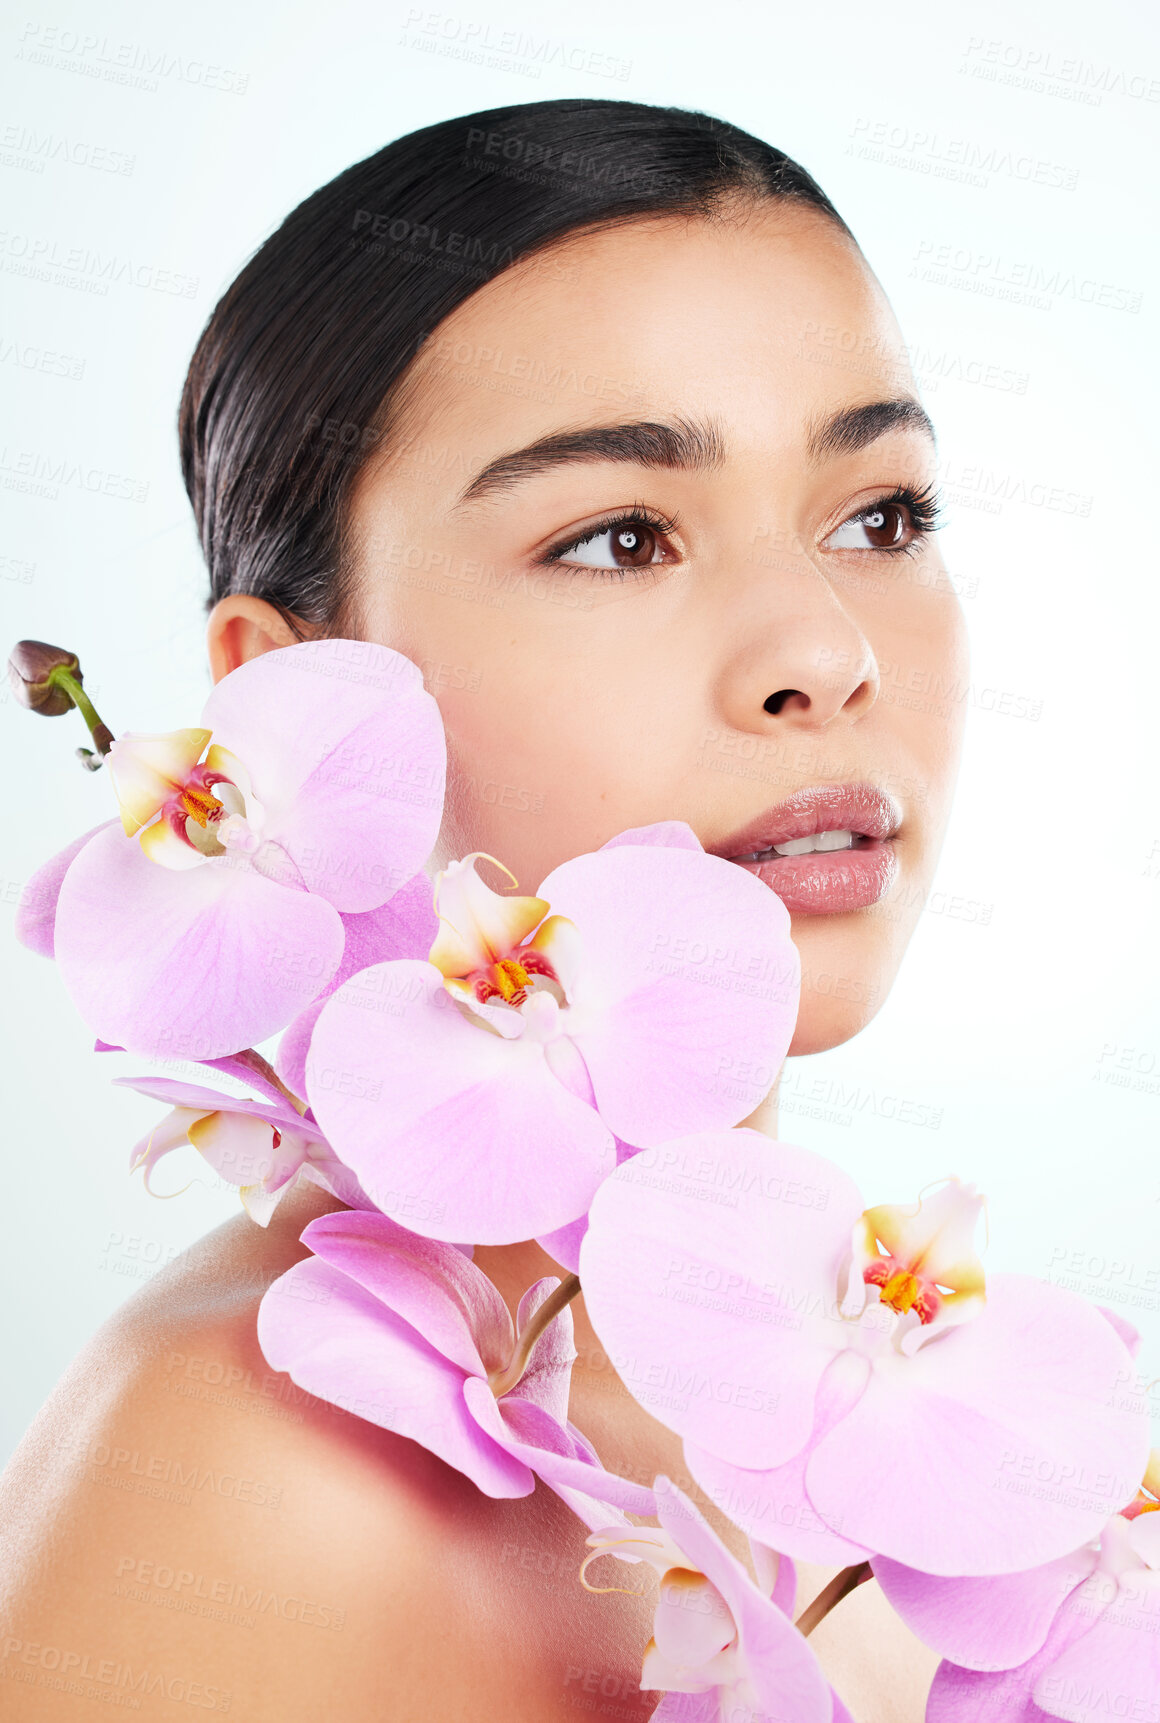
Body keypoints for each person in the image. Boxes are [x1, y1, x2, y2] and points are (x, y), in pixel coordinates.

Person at [0, 99, 966, 1719]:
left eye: (883, 518)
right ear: (294, 695)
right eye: (621, 536)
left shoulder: (905, 1455)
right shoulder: (253, 1469)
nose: (823, 648)